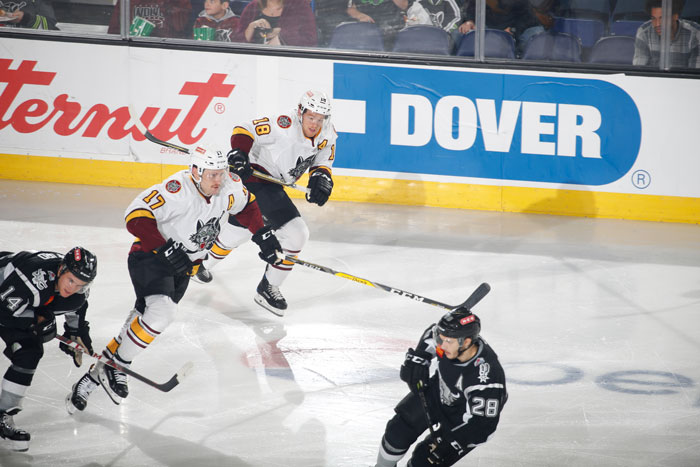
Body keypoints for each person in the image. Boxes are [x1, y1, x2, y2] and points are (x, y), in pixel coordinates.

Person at [65, 147, 282, 412]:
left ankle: (96, 375)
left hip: (183, 268)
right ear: (195, 171)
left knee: (141, 321)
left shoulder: (228, 186)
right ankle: (119, 365)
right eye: (212, 174)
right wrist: (163, 247)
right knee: (161, 314)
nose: (218, 180)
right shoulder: (176, 190)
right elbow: (135, 216)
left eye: (221, 173)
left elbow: (247, 206)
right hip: (151, 258)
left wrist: (263, 234)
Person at [195, 90, 336, 317]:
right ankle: (268, 288)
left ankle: (202, 262)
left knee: (241, 229)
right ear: (301, 113)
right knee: (296, 233)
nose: (315, 123)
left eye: (320, 119)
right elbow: (244, 129)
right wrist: (240, 153)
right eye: (311, 117)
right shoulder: (283, 124)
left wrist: (321, 178)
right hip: (256, 178)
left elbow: (324, 156)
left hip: (276, 182)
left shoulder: (328, 132)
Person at [375, 306, 507, 467]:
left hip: (462, 420)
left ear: (466, 342)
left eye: (447, 341)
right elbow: (431, 333)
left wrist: (450, 443)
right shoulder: (450, 342)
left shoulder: (487, 379)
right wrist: (419, 358)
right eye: (441, 339)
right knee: (398, 432)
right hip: (437, 393)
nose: (441, 346)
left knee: (424, 462)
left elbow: (483, 427)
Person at [0, 247, 97, 451]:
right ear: (61, 270)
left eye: (80, 285)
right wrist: (36, 320)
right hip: (4, 295)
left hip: (15, 302)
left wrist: (75, 332)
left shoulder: (76, 291)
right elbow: (3, 312)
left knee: (30, 352)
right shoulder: (33, 280)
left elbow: (77, 306)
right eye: (71, 280)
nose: (73, 288)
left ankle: (2, 413)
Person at [633, 0, 700, 69]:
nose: (657, 24)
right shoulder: (644, 33)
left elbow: (695, 74)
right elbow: (639, 70)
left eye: (662, 18)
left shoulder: (695, 34)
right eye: (654, 18)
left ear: (675, 16)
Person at [457, 0, 538, 52]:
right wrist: (470, 21)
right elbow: (471, 9)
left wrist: (514, 29)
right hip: (484, 27)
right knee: (460, 33)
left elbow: (526, 18)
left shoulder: (521, 3)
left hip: (511, 31)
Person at [235, 0, 317, 46]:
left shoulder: (300, 6)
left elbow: (311, 40)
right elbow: (235, 42)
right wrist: (251, 27)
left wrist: (281, 36)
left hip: (289, 64)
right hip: (253, 63)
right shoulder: (252, 7)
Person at [108, 0, 191, 38]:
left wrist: (170, 7)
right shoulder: (127, 2)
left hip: (166, 50)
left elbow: (183, 29)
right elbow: (114, 33)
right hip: (134, 48)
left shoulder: (179, 2)